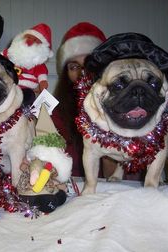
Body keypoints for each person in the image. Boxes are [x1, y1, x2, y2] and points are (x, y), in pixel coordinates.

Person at [52, 22, 117, 178]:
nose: (82, 74)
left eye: (88, 65)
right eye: (74, 67)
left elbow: (116, 178)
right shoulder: (56, 112)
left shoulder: (118, 109)